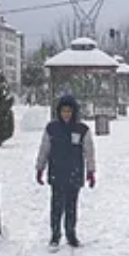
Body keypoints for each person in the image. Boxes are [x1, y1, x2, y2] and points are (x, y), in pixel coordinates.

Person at [35, 94, 96, 247]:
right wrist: (40, 168)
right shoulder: (52, 129)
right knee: (56, 206)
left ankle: (71, 233)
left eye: (69, 111)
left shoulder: (82, 130)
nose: (66, 114)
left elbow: (89, 152)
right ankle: (55, 235)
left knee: (71, 207)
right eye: (63, 111)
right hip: (57, 173)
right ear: (59, 112)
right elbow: (44, 149)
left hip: (75, 173)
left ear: (74, 112)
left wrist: (91, 171)